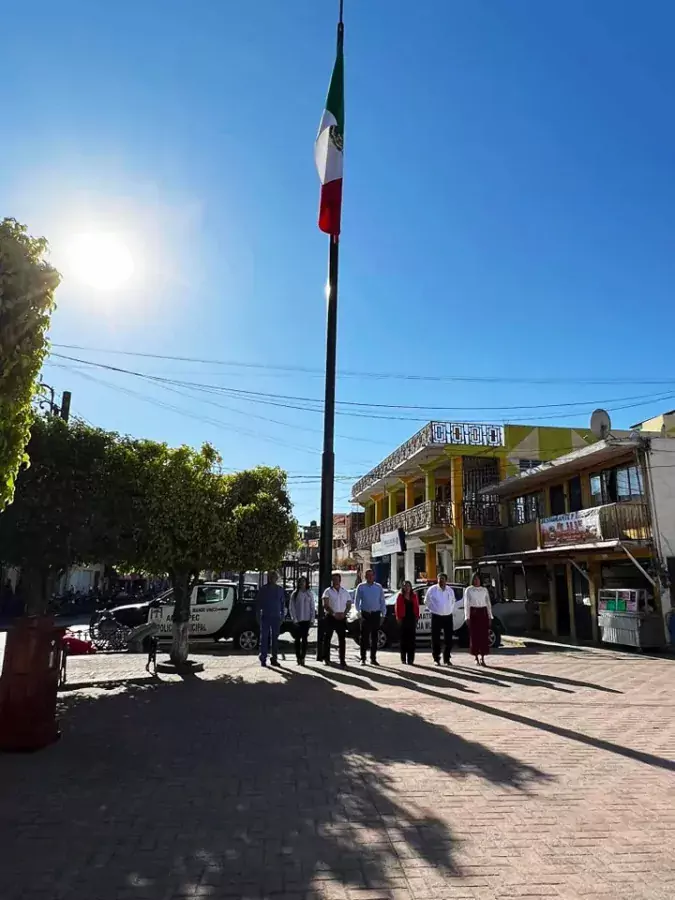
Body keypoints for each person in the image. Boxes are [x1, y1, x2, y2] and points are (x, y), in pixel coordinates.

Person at [354, 569, 387, 666]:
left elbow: (382, 601)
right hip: (365, 614)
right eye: (367, 575)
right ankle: (363, 658)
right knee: (364, 637)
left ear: (374, 576)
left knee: (374, 637)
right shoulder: (361, 587)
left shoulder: (378, 587)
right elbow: (356, 601)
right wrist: (359, 613)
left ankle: (373, 658)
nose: (369, 577)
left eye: (371, 575)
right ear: (365, 577)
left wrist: (383, 614)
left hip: (376, 614)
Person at [425, 572, 457, 666]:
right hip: (436, 616)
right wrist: (433, 609)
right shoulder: (432, 590)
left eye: (443, 579)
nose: (441, 581)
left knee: (449, 638)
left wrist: (450, 610)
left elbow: (453, 601)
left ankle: (447, 659)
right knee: (435, 638)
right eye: (439, 579)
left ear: (446, 580)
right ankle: (436, 658)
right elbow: (426, 601)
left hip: (448, 616)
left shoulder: (450, 590)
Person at [321, 572, 351, 667]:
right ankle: (326, 658)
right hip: (331, 617)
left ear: (340, 580)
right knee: (327, 638)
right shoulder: (327, 591)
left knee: (342, 639)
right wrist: (333, 613)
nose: (335, 581)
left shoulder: (344, 592)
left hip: (341, 617)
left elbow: (349, 604)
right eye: (333, 579)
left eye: (337, 579)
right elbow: (325, 605)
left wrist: (344, 613)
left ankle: (342, 659)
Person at [256, 571, 286, 667]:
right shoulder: (263, 589)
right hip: (265, 616)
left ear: (276, 578)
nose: (272, 579)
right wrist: (258, 617)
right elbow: (258, 604)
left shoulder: (280, 589)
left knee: (275, 639)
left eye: (274, 577)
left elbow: (282, 604)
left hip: (276, 617)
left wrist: (282, 617)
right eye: (270, 577)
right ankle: (263, 658)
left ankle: (274, 658)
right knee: (264, 638)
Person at [465, 571, 493, 666]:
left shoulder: (484, 590)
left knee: (484, 636)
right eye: (475, 579)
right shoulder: (469, 590)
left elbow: (488, 603)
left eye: (478, 579)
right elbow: (466, 604)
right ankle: (476, 656)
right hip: (474, 613)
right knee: (475, 636)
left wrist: (490, 616)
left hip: (483, 612)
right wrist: (467, 617)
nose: (477, 581)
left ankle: (483, 657)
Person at [289, 575, 315, 666]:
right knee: (297, 639)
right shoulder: (295, 594)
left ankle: (303, 657)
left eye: (304, 581)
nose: (302, 583)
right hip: (298, 620)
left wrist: (312, 618)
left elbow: (312, 606)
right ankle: (298, 657)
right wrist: (294, 619)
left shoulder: (309, 593)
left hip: (306, 619)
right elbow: (291, 608)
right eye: (300, 582)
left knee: (304, 639)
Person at [395, 580, 420, 665]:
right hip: (403, 619)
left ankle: (411, 659)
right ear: (403, 587)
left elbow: (416, 607)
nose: (407, 587)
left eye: (408, 586)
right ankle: (403, 658)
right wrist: (398, 618)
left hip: (412, 619)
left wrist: (417, 617)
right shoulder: (400, 596)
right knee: (403, 640)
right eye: (405, 586)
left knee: (412, 641)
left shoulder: (414, 596)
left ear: (410, 587)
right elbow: (397, 608)